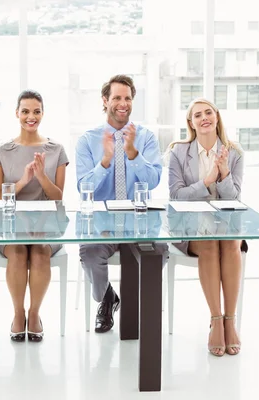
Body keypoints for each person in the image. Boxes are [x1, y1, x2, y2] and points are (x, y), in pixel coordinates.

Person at [76, 74, 163, 333]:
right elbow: (83, 188)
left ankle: (138, 300)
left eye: (127, 98)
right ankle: (107, 298)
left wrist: (133, 155)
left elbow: (154, 180)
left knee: (159, 250)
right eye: (116, 97)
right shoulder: (87, 140)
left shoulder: (145, 137)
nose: (122, 103)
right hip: (103, 222)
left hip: (140, 220)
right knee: (89, 253)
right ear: (105, 100)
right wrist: (105, 161)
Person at [167, 97, 245, 356]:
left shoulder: (234, 152)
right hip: (190, 226)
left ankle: (230, 320)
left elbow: (234, 198)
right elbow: (176, 196)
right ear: (191, 122)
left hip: (224, 226)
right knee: (211, 244)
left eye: (208, 112)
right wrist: (207, 180)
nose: (204, 118)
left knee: (232, 243)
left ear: (217, 116)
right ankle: (216, 320)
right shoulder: (178, 151)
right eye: (197, 115)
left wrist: (223, 173)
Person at [0, 90, 68, 342]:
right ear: (17, 114)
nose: (30, 116)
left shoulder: (56, 150)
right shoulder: (2, 151)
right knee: (17, 251)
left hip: (46, 225)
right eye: (25, 111)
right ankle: (18, 314)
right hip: (10, 224)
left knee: (40, 251)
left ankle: (34, 314)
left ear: (43, 114)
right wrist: (24, 180)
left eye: (36, 111)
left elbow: (58, 198)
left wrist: (42, 176)